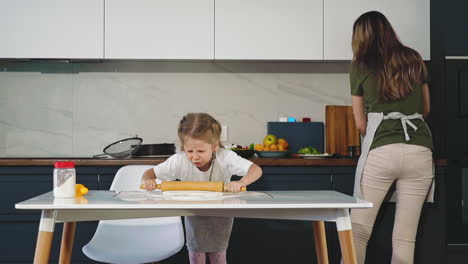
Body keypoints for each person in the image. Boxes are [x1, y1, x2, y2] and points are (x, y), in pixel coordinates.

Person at [349, 11, 434, 264]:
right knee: (405, 237)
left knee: (358, 230)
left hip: (381, 151)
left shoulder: (360, 64)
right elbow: (426, 109)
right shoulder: (414, 58)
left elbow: (360, 123)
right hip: (420, 151)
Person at [141, 112, 263, 264]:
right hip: (194, 213)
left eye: (201, 151)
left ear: (214, 146)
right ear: (183, 147)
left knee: (218, 256)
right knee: (196, 254)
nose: (195, 157)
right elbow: (149, 173)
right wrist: (148, 180)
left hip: (221, 214)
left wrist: (242, 182)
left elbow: (256, 170)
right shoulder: (179, 160)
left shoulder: (225, 157)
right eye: (190, 151)